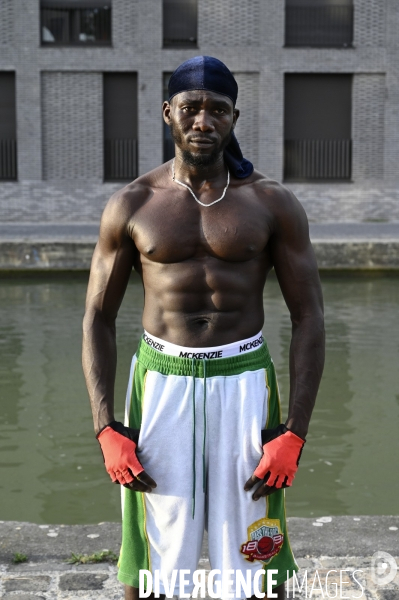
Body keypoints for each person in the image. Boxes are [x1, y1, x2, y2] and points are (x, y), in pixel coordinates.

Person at [82, 56, 325, 600]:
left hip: (244, 382)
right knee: (153, 556)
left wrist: (294, 433)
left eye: (218, 110)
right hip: (161, 383)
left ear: (234, 117)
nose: (203, 121)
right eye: (191, 108)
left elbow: (309, 316)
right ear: (168, 112)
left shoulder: (271, 203)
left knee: (257, 551)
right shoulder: (133, 204)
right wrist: (106, 428)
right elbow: (98, 315)